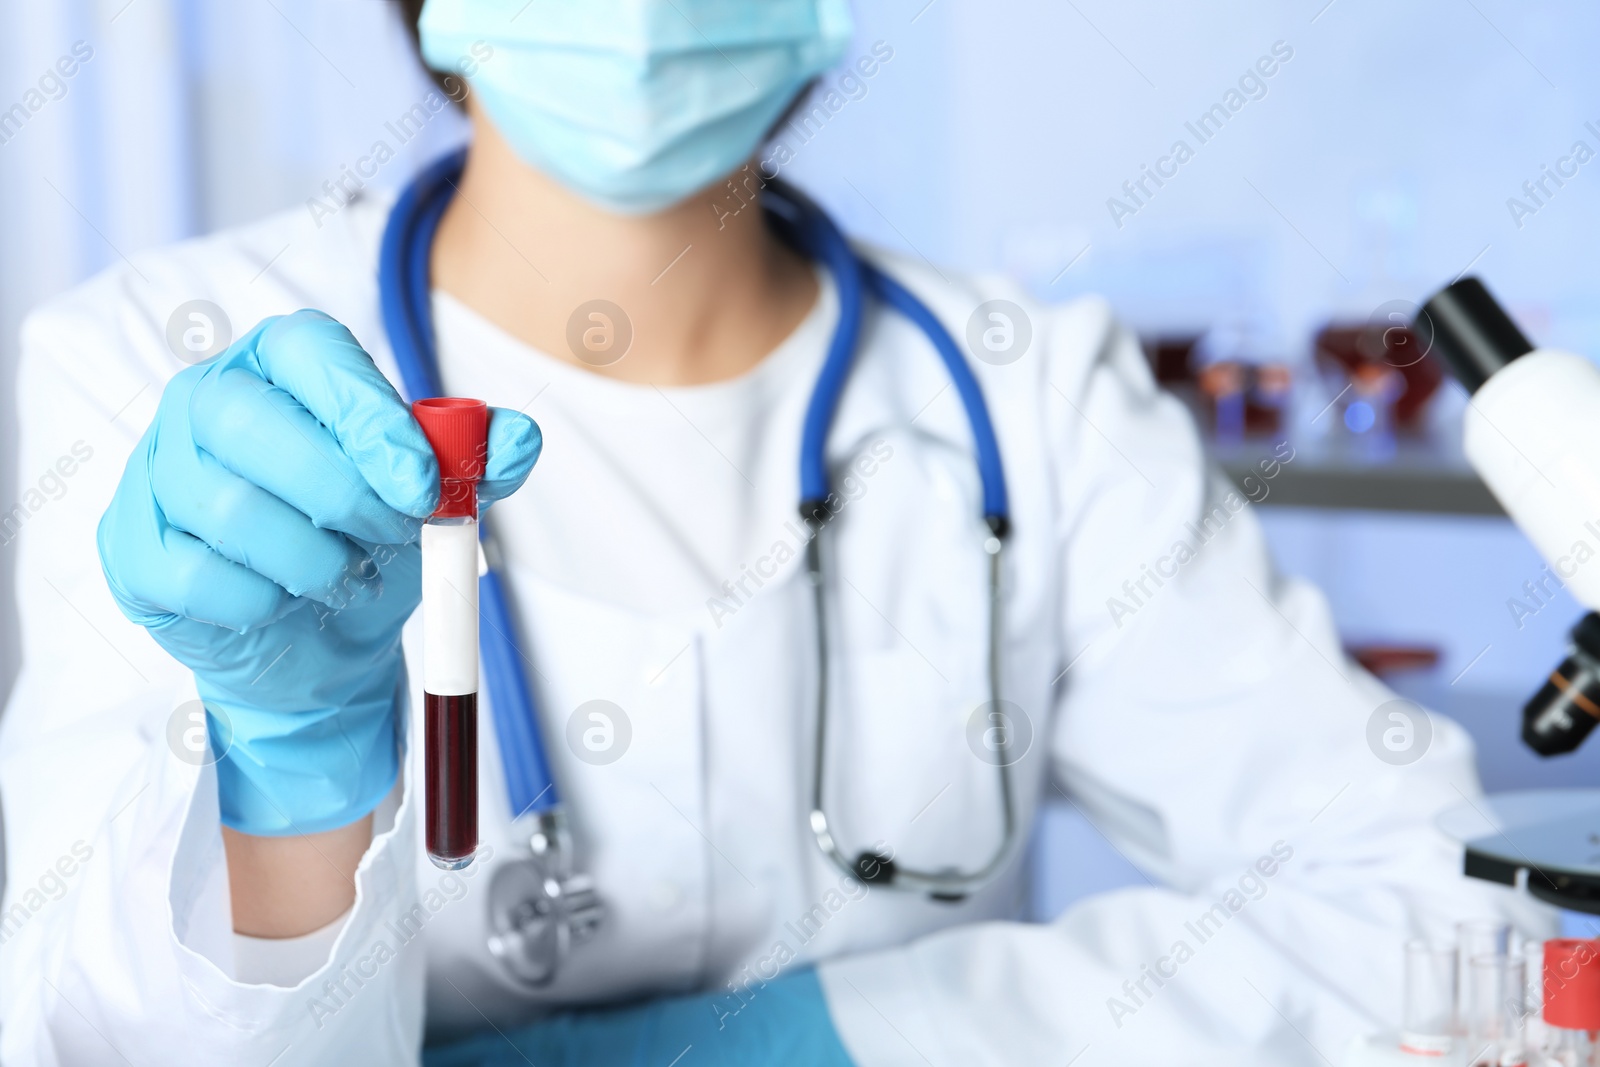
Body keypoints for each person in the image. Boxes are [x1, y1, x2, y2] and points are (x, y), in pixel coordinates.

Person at [0, 1, 1551, 1064]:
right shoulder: (164, 367)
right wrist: (289, 777)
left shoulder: (1033, 393)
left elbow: (1433, 900)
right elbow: (92, 1045)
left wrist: (831, 1041)